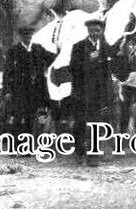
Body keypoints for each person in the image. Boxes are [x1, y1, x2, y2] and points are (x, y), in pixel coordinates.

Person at [53, 15, 128, 166]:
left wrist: (121, 50)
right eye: (92, 30)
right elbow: (74, 68)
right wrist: (90, 60)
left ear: (101, 31)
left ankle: (93, 156)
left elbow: (115, 62)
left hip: (99, 94)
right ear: (88, 31)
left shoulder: (105, 46)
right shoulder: (79, 46)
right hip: (82, 93)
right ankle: (79, 151)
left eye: (98, 31)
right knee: (80, 124)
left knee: (96, 123)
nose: (95, 33)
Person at [2, 26, 54, 141]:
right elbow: (7, 73)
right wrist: (7, 90)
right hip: (19, 89)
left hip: (34, 89)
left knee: (31, 116)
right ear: (21, 37)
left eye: (30, 35)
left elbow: (53, 59)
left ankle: (27, 146)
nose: (28, 37)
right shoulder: (14, 51)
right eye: (25, 35)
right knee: (18, 117)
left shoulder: (38, 49)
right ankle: (15, 145)